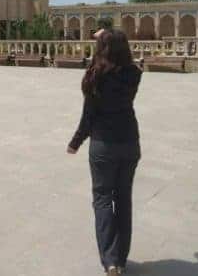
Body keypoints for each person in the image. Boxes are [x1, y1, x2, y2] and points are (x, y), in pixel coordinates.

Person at [67, 29, 142, 276]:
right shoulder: (134, 75)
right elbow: (128, 65)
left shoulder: (95, 76)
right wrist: (108, 38)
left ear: (101, 49)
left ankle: (110, 261)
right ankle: (120, 258)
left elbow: (88, 116)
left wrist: (76, 142)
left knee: (102, 199)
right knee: (123, 199)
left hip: (103, 146)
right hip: (129, 143)